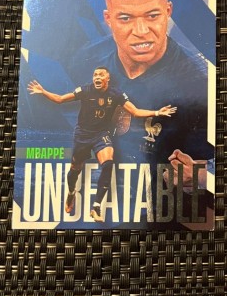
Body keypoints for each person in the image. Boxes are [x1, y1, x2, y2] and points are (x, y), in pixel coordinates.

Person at [72, 0, 214, 225]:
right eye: (126, 18)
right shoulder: (85, 60)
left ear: (168, 12)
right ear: (108, 18)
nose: (140, 31)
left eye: (152, 16)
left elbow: (205, 184)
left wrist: (196, 179)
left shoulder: (200, 83)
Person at [28, 67, 176, 222]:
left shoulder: (116, 94)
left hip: (101, 135)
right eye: (95, 75)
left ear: (107, 78)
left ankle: (96, 206)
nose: (97, 77)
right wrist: (43, 91)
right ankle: (71, 192)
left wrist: (157, 112)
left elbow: (135, 112)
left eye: (101, 75)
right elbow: (60, 99)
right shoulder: (85, 90)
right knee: (75, 169)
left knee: (108, 164)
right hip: (82, 135)